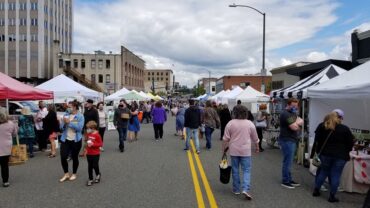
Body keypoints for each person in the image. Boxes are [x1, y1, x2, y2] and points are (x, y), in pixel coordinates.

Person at [312, 110, 354, 203]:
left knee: (323, 172)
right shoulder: (345, 129)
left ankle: (316, 190)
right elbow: (350, 143)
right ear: (339, 118)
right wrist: (347, 151)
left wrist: (317, 152)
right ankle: (332, 196)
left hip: (325, 154)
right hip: (340, 156)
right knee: (336, 175)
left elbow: (317, 140)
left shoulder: (323, 126)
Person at [223, 105, 259, 200]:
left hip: (234, 150)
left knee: (235, 169)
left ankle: (236, 189)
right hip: (245, 150)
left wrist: (224, 150)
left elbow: (225, 139)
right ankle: (246, 189)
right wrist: (257, 147)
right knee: (246, 170)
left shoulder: (230, 123)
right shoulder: (250, 124)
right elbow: (255, 138)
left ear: (234, 113)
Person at [278, 98, 303, 189]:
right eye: (293, 106)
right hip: (287, 140)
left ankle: (289, 179)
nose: (295, 107)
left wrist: (297, 123)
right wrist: (298, 123)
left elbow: (297, 124)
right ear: (288, 104)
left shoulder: (292, 114)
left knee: (289, 161)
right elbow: (294, 127)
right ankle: (285, 181)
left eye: (296, 106)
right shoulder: (285, 114)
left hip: (291, 139)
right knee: (287, 161)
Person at [59, 100, 85, 182]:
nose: (68, 108)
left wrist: (69, 122)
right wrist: (63, 122)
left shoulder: (80, 116)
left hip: (76, 140)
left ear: (74, 107)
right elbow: (61, 127)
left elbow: (79, 128)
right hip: (65, 139)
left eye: (70, 107)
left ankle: (74, 173)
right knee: (63, 157)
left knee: (74, 157)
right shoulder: (66, 115)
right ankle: (66, 174)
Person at [0, 107, 18, 187]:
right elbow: (14, 134)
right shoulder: (10, 123)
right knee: (4, 164)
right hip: (6, 147)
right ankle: (5, 181)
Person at [85, 121, 103, 186]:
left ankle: (98, 174)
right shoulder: (88, 134)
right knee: (89, 166)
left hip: (96, 153)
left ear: (93, 128)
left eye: (88, 128)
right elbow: (87, 141)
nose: (87, 130)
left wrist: (93, 144)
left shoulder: (97, 135)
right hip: (89, 153)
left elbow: (100, 144)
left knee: (95, 165)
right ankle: (90, 179)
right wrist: (86, 147)